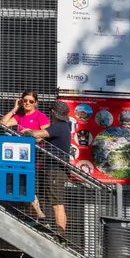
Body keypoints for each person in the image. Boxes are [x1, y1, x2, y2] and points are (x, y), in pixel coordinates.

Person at [1, 91, 52, 221]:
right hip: (21, 156)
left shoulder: (40, 116)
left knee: (29, 184)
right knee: (22, 186)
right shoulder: (20, 116)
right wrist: (14, 109)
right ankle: (32, 216)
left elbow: (45, 136)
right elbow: (3, 123)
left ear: (36, 103)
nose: (27, 103)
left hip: (35, 155)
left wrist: (30, 133)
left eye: (30, 101)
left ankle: (39, 214)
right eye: (25, 101)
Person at [38, 100, 74, 236]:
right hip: (55, 169)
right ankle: (58, 232)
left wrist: (28, 131)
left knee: (57, 204)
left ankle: (61, 235)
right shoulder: (64, 126)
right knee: (55, 202)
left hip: (55, 170)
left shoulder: (58, 127)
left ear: (53, 112)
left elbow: (38, 134)